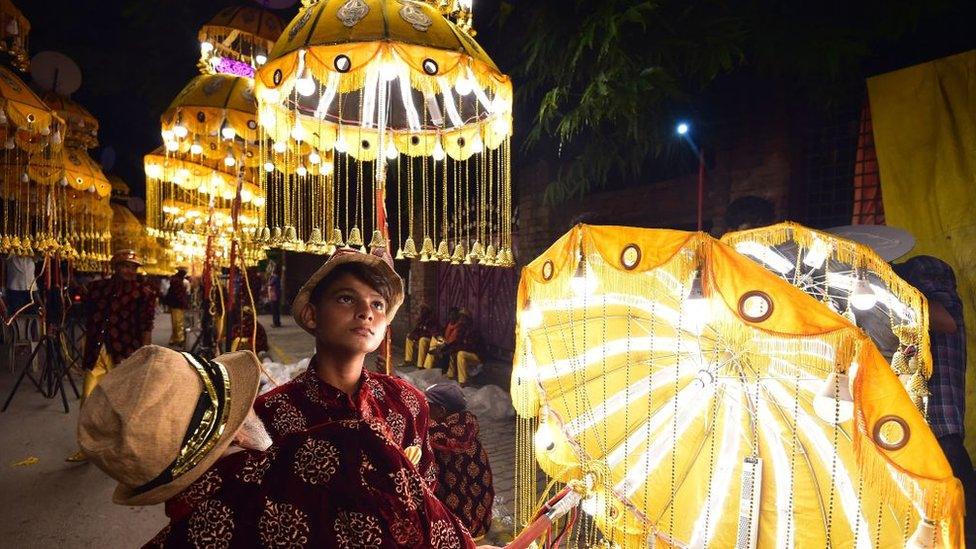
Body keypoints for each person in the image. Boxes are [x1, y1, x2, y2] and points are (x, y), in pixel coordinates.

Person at [254, 248, 439, 488]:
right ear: (312, 315)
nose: (366, 313)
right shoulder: (270, 413)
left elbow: (426, 493)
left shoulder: (408, 404)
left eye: (378, 304)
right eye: (346, 298)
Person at [895, 256, 975, 542]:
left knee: (960, 526)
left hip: (941, 432)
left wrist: (886, 283)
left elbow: (946, 321)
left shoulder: (930, 292)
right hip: (910, 436)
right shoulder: (901, 313)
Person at [67, 249, 157, 462]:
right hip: (97, 352)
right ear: (115, 267)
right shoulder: (97, 289)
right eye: (125, 266)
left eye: (133, 267)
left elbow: (146, 326)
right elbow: (83, 308)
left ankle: (123, 448)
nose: (129, 271)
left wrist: (145, 354)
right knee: (88, 400)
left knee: (123, 404)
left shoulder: (144, 294)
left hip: (126, 354)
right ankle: (87, 448)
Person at [426, 383, 495, 541]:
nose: (425, 410)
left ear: (442, 410)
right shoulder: (464, 424)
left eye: (428, 406)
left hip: (465, 517)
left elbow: (423, 423)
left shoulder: (447, 435)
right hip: (477, 518)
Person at [446, 309, 483, 386]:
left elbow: (471, 347)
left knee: (460, 354)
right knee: (453, 352)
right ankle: (451, 375)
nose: (461, 320)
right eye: (460, 318)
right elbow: (457, 343)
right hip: (466, 353)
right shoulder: (461, 330)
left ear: (468, 319)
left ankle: (463, 381)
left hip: (476, 356)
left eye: (464, 318)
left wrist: (458, 348)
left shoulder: (473, 330)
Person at [423, 306, 461, 371]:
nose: (451, 317)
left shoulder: (459, 327)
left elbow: (454, 341)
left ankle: (428, 366)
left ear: (457, 316)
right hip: (444, 342)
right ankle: (428, 366)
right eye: (451, 315)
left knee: (434, 346)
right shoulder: (448, 324)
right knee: (434, 338)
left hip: (451, 345)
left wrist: (443, 344)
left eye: (453, 315)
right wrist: (438, 335)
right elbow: (442, 332)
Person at [163, 267, 190, 349]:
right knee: (178, 322)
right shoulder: (177, 281)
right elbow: (180, 295)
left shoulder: (175, 280)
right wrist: (184, 302)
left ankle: (174, 339)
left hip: (175, 304)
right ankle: (179, 339)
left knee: (175, 322)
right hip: (177, 304)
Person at [404, 303, 436, 368]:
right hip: (421, 337)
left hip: (429, 339)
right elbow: (417, 329)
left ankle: (420, 364)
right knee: (409, 337)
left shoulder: (432, 320)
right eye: (421, 310)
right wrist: (412, 335)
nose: (421, 312)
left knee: (422, 340)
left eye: (423, 310)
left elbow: (432, 333)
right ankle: (408, 360)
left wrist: (420, 335)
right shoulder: (421, 319)